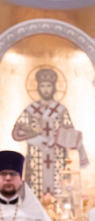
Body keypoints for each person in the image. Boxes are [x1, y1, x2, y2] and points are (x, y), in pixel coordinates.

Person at [12, 67, 88, 197]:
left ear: (53, 87)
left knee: (60, 189)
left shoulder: (61, 110)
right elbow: (17, 131)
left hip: (57, 156)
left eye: (48, 86)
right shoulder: (30, 110)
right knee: (34, 189)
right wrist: (35, 135)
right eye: (42, 86)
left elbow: (69, 132)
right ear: (38, 88)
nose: (45, 89)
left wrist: (61, 137)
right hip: (36, 157)